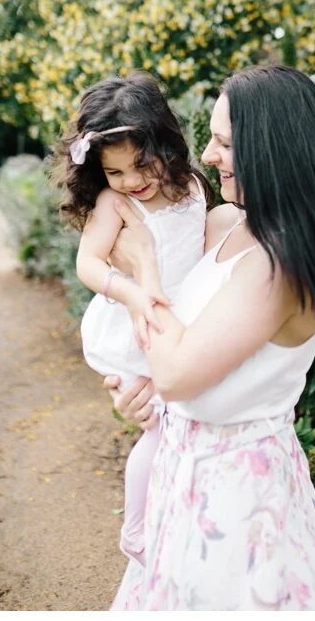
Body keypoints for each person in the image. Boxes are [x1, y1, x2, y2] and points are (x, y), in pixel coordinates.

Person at [103, 64, 315, 609]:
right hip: (182, 485)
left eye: (224, 142)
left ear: (271, 150)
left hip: (239, 508)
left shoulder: (281, 266)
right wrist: (141, 388)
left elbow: (178, 371)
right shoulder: (227, 224)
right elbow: (181, 348)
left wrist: (145, 272)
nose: (206, 154)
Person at [52, 72, 210, 567]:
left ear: (166, 144)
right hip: (133, 329)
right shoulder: (114, 204)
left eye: (141, 164)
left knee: (191, 426)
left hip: (182, 322)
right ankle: (137, 529)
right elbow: (88, 264)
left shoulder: (193, 187)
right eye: (115, 172)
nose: (132, 181)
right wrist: (134, 293)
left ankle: (185, 518)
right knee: (160, 430)